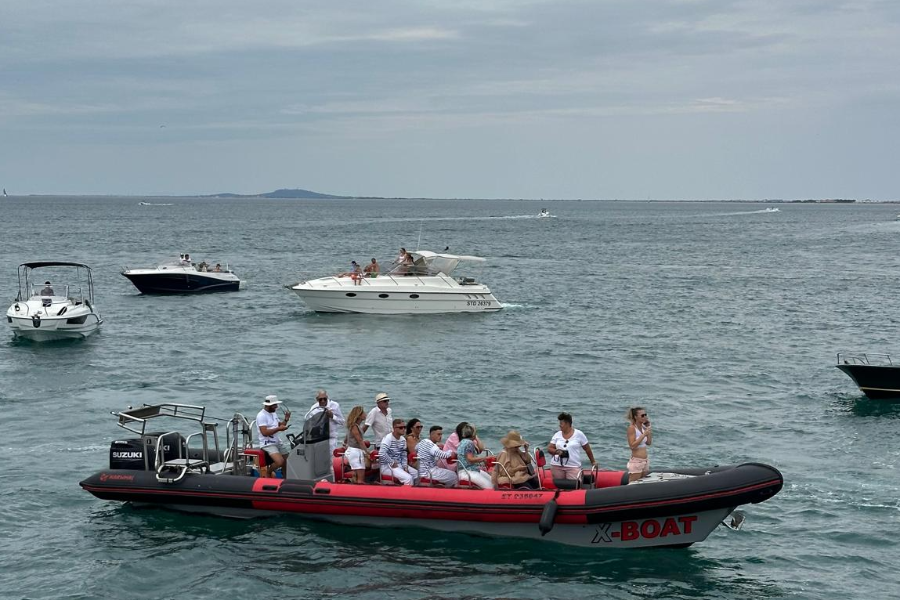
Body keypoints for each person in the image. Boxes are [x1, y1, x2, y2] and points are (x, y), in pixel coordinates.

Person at [547, 411, 597, 481]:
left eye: (561, 423)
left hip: (573, 466)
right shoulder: (557, 435)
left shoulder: (579, 434)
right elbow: (549, 448)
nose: (559, 425)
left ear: (567, 424)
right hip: (557, 466)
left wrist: (593, 461)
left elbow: (587, 449)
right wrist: (557, 451)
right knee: (559, 485)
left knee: (574, 484)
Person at [256, 394, 291, 478]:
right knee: (280, 462)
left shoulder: (273, 413)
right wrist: (278, 429)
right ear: (269, 405)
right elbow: (264, 432)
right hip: (267, 443)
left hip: (277, 441)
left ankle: (285, 477)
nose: (276, 407)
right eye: (275, 405)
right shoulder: (261, 415)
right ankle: (268, 472)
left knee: (287, 460)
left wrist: (286, 419)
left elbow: (280, 425)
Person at [379, 418, 417, 485]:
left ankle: (415, 490)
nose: (403, 429)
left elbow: (403, 455)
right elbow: (381, 453)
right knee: (408, 478)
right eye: (401, 427)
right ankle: (406, 491)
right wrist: (392, 462)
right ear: (394, 428)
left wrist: (405, 467)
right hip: (388, 466)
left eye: (404, 427)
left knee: (417, 474)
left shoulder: (403, 440)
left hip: (399, 465)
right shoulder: (388, 438)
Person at [456, 424, 492, 489]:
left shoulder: (462, 442)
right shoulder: (469, 443)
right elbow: (470, 459)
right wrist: (485, 458)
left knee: (492, 480)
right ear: (473, 434)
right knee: (489, 486)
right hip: (468, 471)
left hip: (467, 470)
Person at [626, 407, 652, 483]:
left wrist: (648, 429)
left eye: (645, 415)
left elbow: (649, 443)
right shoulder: (632, 428)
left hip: (645, 461)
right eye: (642, 415)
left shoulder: (643, 428)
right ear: (636, 417)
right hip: (637, 461)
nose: (645, 417)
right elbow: (632, 446)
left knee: (643, 483)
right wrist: (643, 435)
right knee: (633, 484)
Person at [343, 406, 368, 483]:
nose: (365, 414)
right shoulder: (354, 426)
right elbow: (359, 440)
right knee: (360, 477)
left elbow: (347, 437)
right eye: (363, 413)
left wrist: (344, 443)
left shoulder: (354, 426)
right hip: (355, 452)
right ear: (359, 415)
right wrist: (367, 452)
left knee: (357, 474)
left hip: (355, 451)